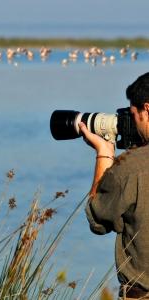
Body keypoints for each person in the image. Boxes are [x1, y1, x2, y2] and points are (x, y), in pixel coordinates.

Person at [80, 72, 149, 299]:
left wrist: (104, 155)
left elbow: (98, 220)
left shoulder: (131, 167)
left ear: (147, 109)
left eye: (133, 114)